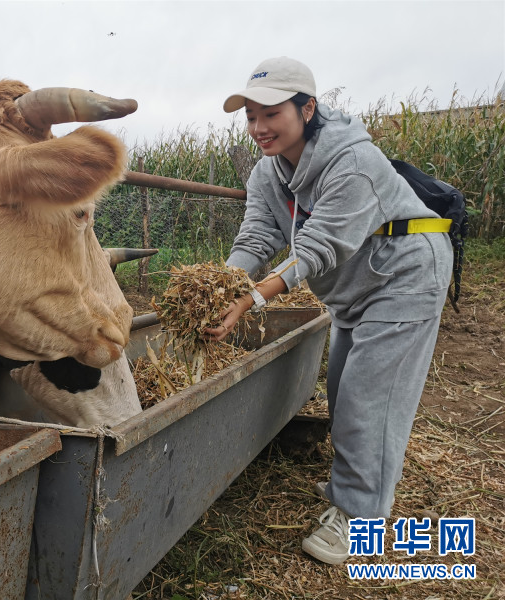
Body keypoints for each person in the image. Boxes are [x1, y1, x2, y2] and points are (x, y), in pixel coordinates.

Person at [203, 56, 453, 565]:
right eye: (250, 116)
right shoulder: (267, 174)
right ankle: (354, 483)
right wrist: (220, 285)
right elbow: (258, 236)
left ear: (307, 107)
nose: (258, 127)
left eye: (270, 113)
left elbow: (318, 246)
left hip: (403, 275)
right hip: (353, 290)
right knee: (342, 391)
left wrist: (249, 300)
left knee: (369, 401)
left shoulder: (350, 160)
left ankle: (361, 520)